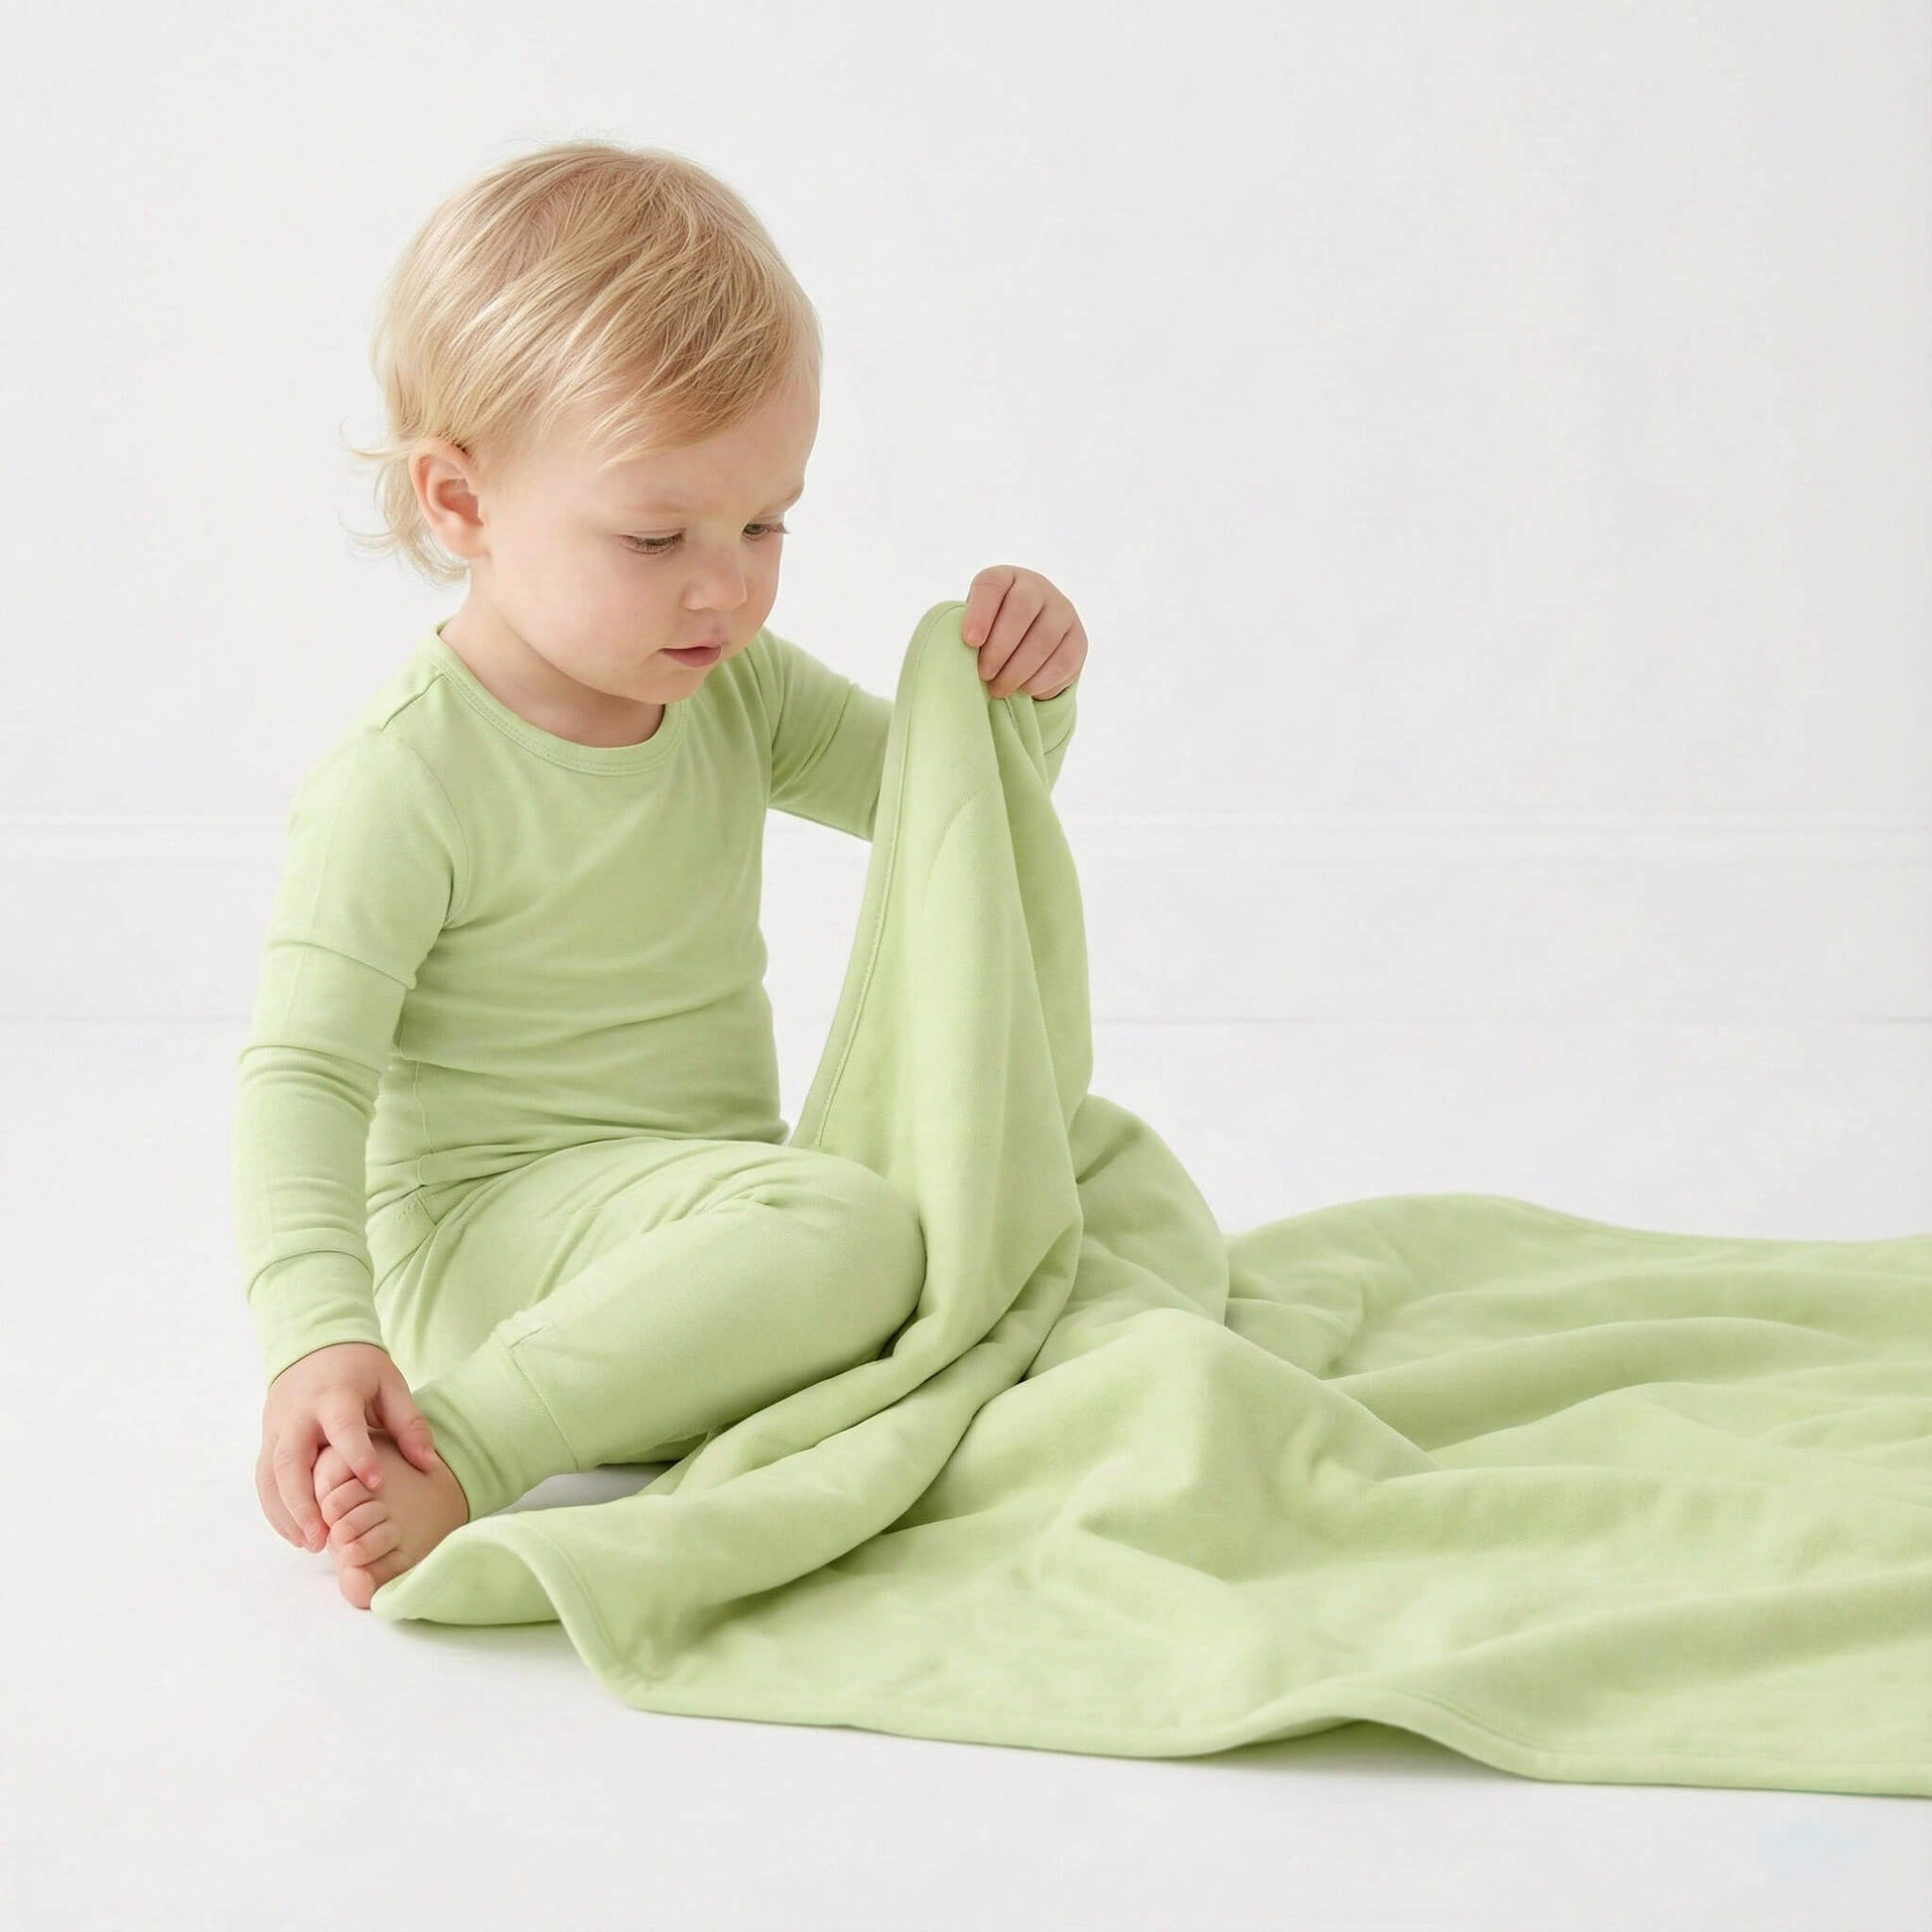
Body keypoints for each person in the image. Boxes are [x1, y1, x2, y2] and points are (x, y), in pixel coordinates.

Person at [233, 140, 1090, 1609]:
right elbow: (303, 1074)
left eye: (765, 522)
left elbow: (943, 808)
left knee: (1062, 1167)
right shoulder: (407, 776)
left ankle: (722, 1337)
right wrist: (319, 1332)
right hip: (486, 1246)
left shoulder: (731, 687)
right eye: (655, 535)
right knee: (848, 1227)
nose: (727, 584)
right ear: (461, 502)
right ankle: (479, 1442)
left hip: (693, 1209)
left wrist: (1018, 692)